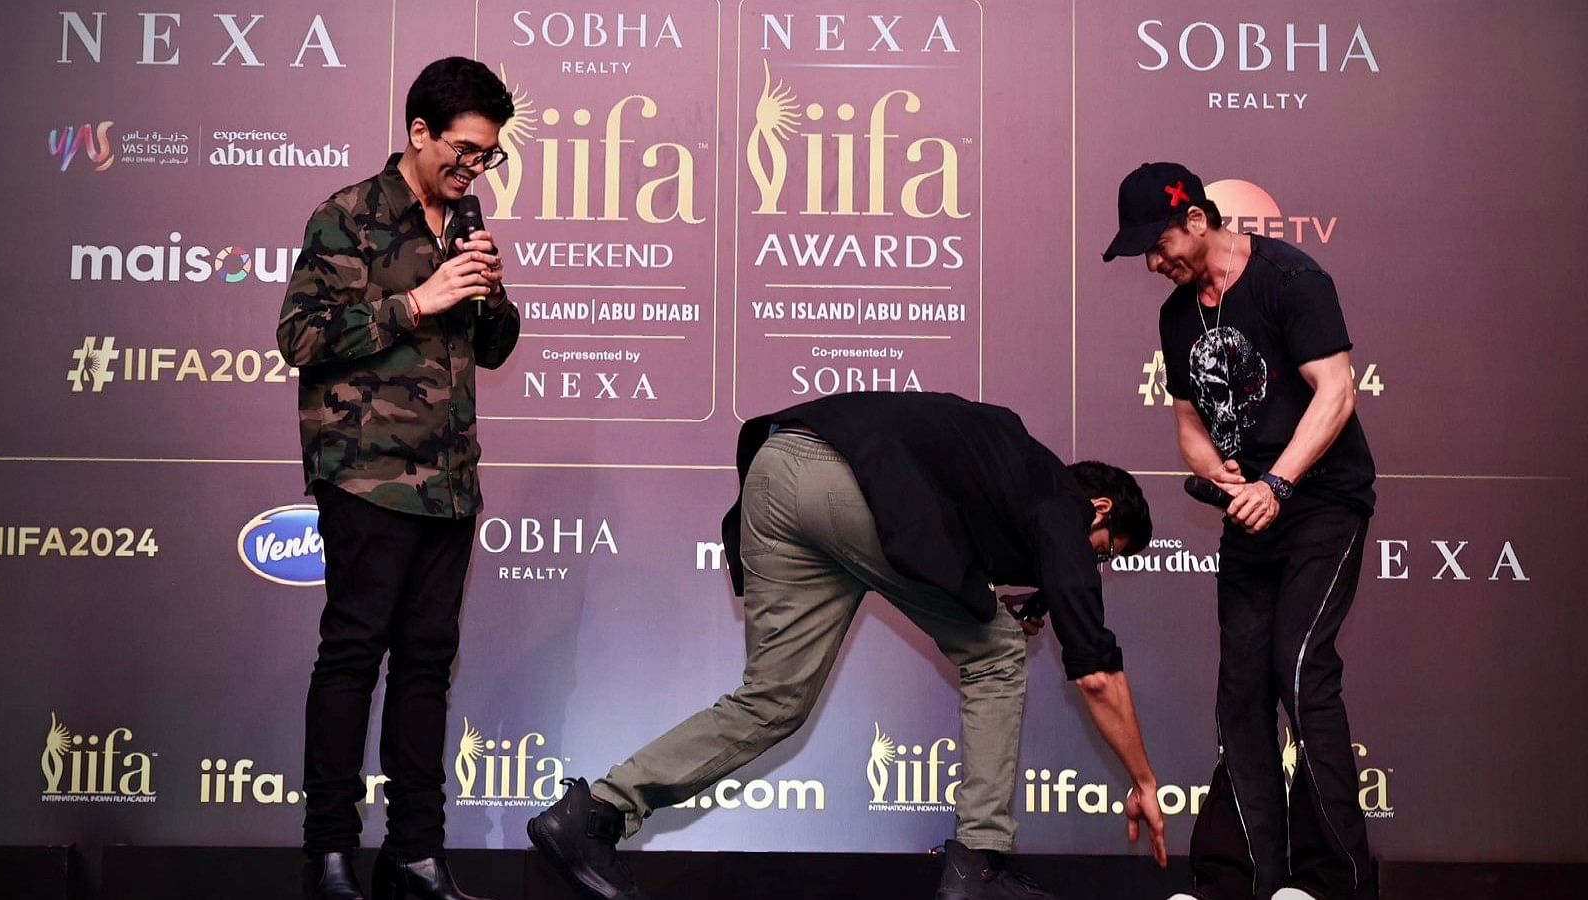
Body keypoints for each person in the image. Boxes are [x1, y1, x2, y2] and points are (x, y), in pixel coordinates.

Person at [527, 391, 1168, 900]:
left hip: (777, 471)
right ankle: (980, 866)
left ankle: (596, 814)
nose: (1092, 566)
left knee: (774, 700)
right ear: (1100, 507)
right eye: (1104, 552)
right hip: (851, 485)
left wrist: (1019, 601)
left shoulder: (1007, 473)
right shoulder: (1060, 498)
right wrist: (1142, 779)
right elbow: (1095, 672)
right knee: (997, 655)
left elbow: (951, 550)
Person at [276, 56, 521, 900]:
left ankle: (418, 853)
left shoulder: (465, 222)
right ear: (418, 131)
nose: (473, 168)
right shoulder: (348, 215)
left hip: (450, 482)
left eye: (487, 155)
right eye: (462, 150)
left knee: (427, 666)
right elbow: (301, 339)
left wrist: (483, 292)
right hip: (368, 477)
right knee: (352, 658)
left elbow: (493, 347)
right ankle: (330, 852)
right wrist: (417, 301)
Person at [1103, 162, 1377, 900]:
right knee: (1241, 688)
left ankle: (1334, 883)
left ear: (1197, 219)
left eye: (1158, 247)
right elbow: (1190, 427)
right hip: (1250, 510)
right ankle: (1241, 878)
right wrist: (1223, 476)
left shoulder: (1292, 279)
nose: (1155, 264)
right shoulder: (1177, 316)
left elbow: (1337, 391)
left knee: (1297, 670)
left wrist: (1277, 482)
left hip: (1321, 503)